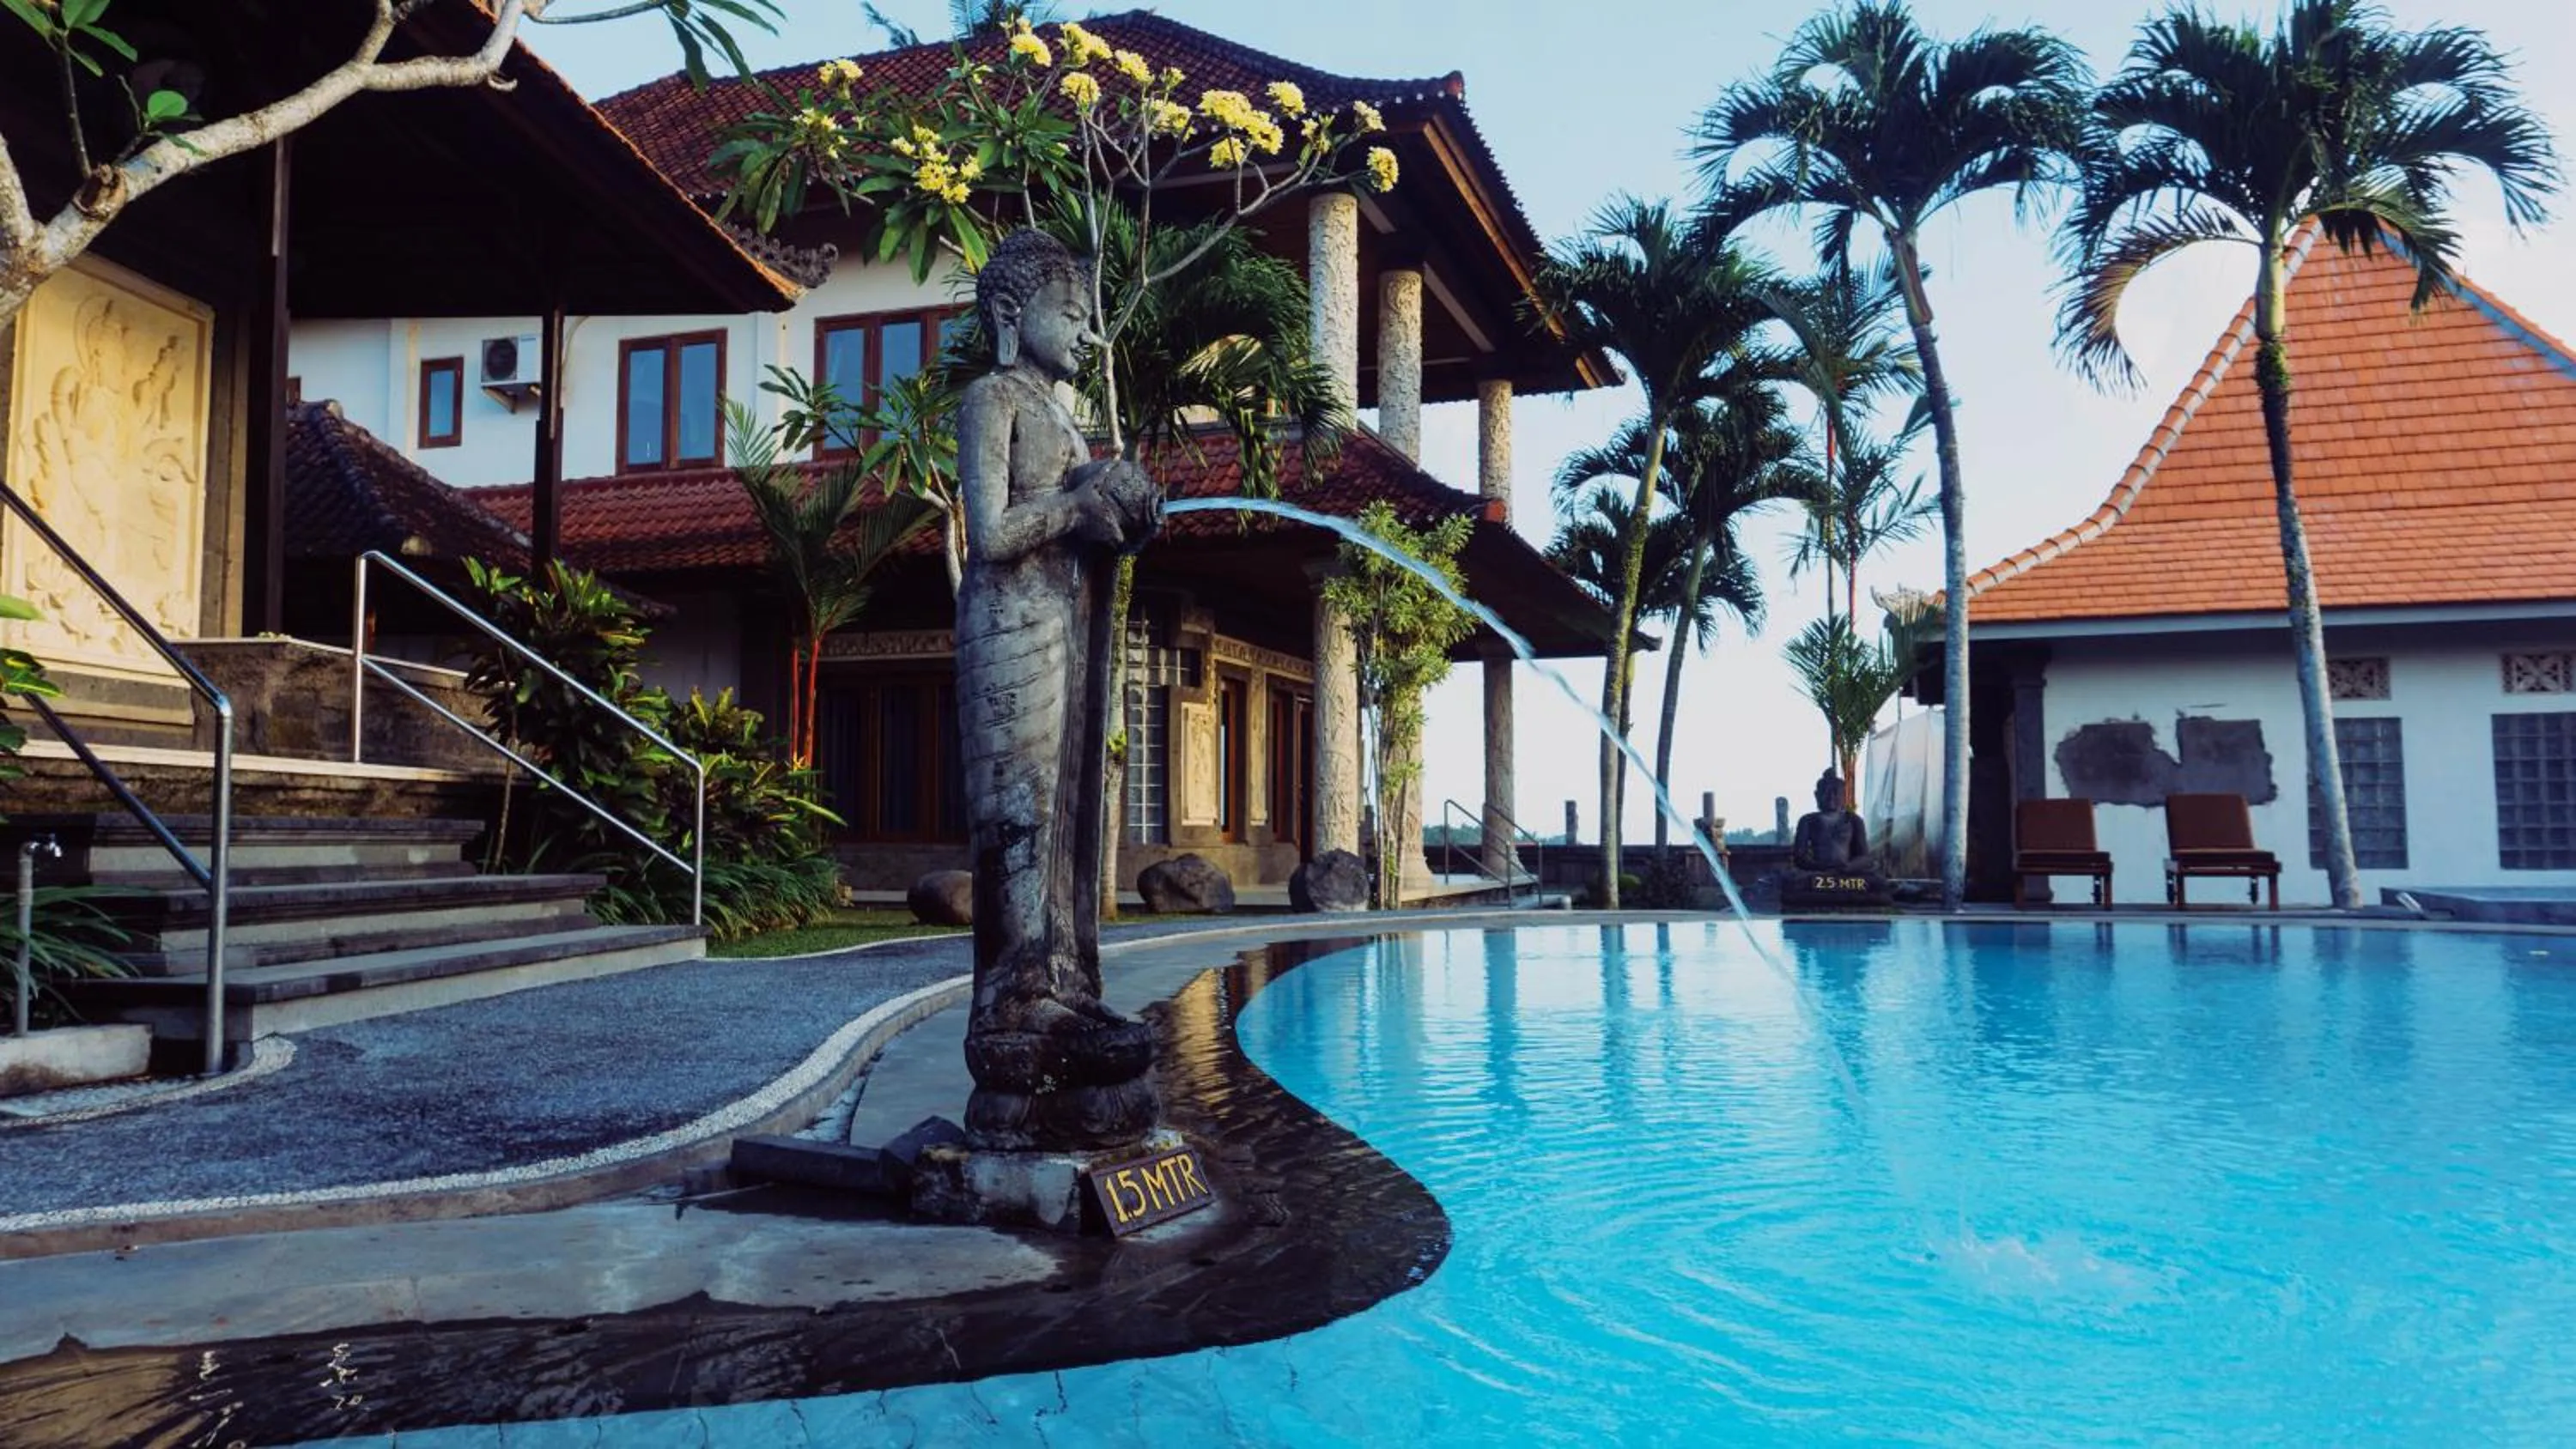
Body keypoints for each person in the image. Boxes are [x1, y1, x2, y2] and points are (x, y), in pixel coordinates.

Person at [951, 229, 1163, 1150]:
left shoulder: (1062, 412)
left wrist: (1125, 503)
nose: (1087, 334)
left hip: (1061, 624)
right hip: (1006, 628)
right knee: (1020, 815)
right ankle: (1011, 1001)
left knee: (1070, 806)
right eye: (1071, 315)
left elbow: (1092, 516)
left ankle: (1065, 981)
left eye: (1089, 318)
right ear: (1012, 314)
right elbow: (990, 530)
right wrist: (1076, 504)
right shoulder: (991, 396)